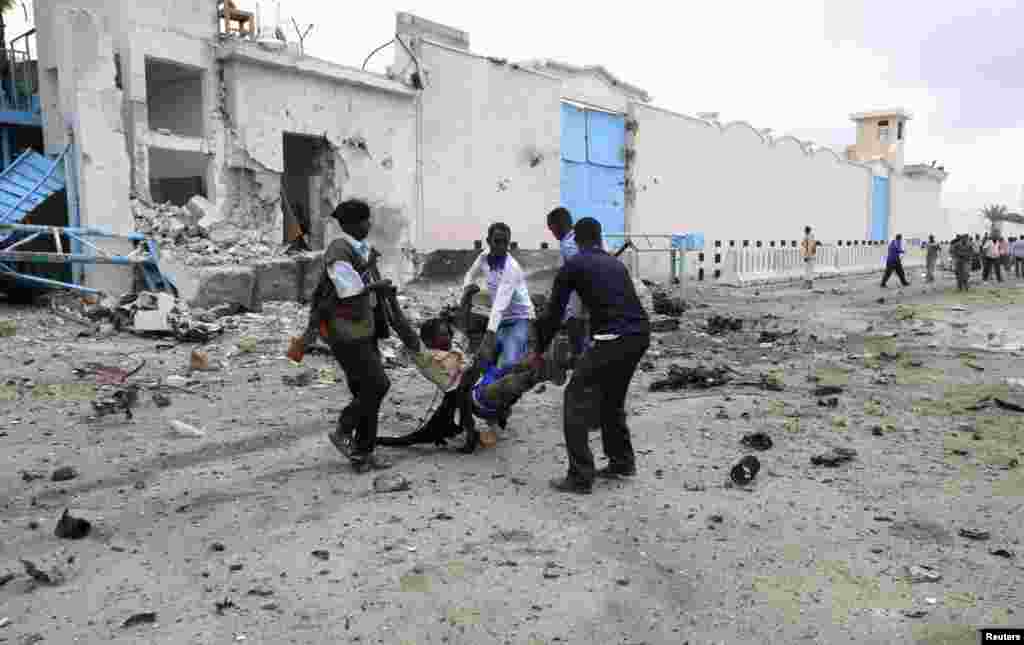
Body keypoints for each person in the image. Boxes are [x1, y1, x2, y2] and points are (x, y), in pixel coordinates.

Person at [530, 217, 651, 494]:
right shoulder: (616, 264)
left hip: (613, 338)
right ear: (599, 237)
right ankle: (622, 463)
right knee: (612, 398)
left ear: (577, 239)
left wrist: (538, 351)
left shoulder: (572, 266)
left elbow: (552, 315)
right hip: (640, 336)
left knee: (575, 397)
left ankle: (580, 476)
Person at [303, 199, 396, 473]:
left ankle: (363, 454)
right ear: (352, 224)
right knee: (377, 385)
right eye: (366, 220)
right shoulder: (339, 250)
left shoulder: (359, 249)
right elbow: (347, 289)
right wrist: (376, 285)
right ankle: (344, 428)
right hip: (345, 331)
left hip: (361, 328)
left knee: (366, 391)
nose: (369, 224)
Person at [461, 222, 536, 448]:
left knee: (508, 370)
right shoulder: (484, 257)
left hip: (520, 319)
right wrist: (467, 289)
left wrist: (489, 336)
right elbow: (469, 275)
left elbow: (501, 304)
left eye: (505, 242)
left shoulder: (512, 267)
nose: (501, 246)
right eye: (497, 241)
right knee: (487, 367)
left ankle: (499, 414)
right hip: (500, 320)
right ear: (488, 242)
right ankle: (493, 414)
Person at [547, 207, 589, 359]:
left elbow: (578, 268)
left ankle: (577, 356)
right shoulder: (583, 236)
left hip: (580, 291)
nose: (553, 234)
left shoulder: (568, 243)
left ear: (559, 225)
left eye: (552, 229)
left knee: (573, 317)